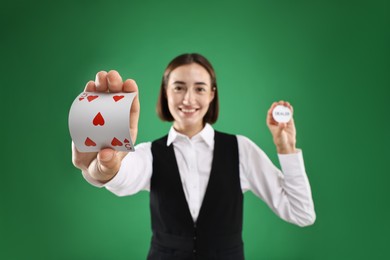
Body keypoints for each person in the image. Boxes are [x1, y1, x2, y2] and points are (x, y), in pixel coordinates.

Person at [72, 53, 316, 260]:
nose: (188, 99)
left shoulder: (241, 149)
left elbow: (301, 213)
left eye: (199, 88)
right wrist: (108, 166)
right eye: (178, 87)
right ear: (165, 93)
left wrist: (286, 149)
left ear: (212, 94)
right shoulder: (150, 154)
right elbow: (122, 174)